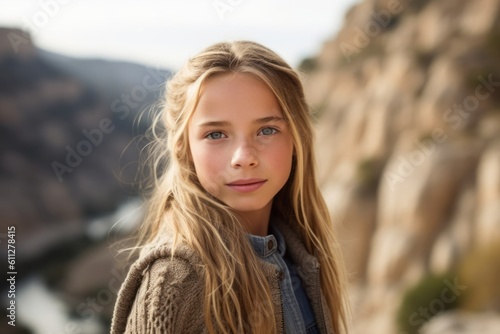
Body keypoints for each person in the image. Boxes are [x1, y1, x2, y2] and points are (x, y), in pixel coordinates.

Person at [111, 41, 350, 334]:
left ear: (296, 139)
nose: (243, 157)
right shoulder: (175, 282)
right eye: (216, 134)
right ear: (184, 149)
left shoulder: (301, 253)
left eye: (267, 130)